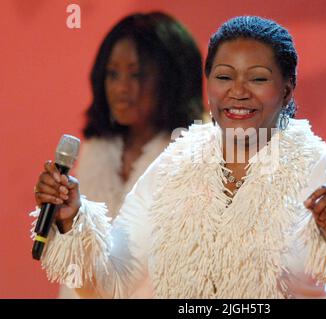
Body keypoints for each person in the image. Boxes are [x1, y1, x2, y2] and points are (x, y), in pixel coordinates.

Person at [31, 16, 326, 298]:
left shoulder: (320, 163)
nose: (237, 92)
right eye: (224, 77)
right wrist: (70, 220)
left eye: (257, 79)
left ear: (287, 89)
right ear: (208, 84)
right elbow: (112, 282)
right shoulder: (175, 162)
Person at [31, 12, 204, 298]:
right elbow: (82, 263)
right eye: (112, 74)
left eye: (137, 75)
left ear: (173, 79)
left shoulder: (198, 154)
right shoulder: (97, 149)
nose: (121, 88)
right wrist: (67, 219)